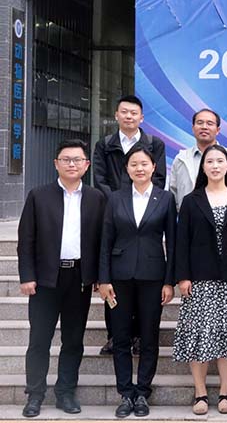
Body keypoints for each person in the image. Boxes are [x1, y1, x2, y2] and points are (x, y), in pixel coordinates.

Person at [17, 140, 106, 418]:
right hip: (45, 279)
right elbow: (26, 240)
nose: (71, 164)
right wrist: (27, 276)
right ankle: (35, 394)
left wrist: (98, 276)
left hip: (78, 278)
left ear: (86, 165)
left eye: (77, 159)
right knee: (39, 339)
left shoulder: (96, 198)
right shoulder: (39, 196)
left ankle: (66, 392)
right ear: (56, 163)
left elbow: (101, 241)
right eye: (66, 159)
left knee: (73, 340)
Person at [173, 145, 227, 415]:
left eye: (220, 161)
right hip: (200, 280)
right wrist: (183, 276)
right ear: (203, 167)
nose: (215, 166)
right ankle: (199, 393)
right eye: (210, 161)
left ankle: (224, 392)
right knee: (199, 335)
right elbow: (181, 241)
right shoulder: (191, 200)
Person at [98, 146, 176, 418]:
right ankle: (125, 393)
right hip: (119, 277)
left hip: (153, 277)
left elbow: (173, 242)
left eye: (144, 164)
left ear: (153, 167)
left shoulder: (165, 198)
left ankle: (142, 392)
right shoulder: (115, 198)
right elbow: (105, 241)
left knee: (149, 336)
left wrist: (169, 281)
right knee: (120, 337)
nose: (139, 168)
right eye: (134, 164)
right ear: (127, 169)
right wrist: (103, 279)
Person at [93, 95, 166, 356]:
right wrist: (119, 200)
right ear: (116, 115)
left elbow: (159, 177)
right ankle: (115, 336)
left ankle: (138, 336)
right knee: (116, 276)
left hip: (145, 213)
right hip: (114, 213)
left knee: (142, 281)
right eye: (124, 112)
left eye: (134, 113)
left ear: (141, 117)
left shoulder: (154, 144)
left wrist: (138, 196)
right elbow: (99, 178)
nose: (129, 116)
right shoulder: (105, 144)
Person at [169, 108, 227, 209]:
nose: (204, 127)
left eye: (210, 123)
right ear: (193, 128)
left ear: (218, 130)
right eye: (200, 123)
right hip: (188, 216)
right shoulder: (181, 159)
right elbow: (173, 194)